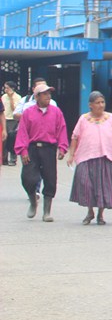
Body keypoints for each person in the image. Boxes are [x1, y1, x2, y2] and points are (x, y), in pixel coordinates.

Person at [67, 91, 112, 225]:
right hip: (86, 157)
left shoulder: (111, 118)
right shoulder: (83, 119)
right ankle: (90, 211)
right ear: (90, 105)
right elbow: (75, 137)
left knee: (104, 187)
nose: (101, 105)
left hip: (107, 157)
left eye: (102, 102)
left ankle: (100, 214)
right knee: (87, 185)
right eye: (97, 102)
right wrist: (71, 155)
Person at [14, 82, 68, 221]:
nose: (48, 96)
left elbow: (61, 129)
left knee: (50, 179)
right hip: (32, 148)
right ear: (37, 96)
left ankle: (47, 211)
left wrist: (62, 147)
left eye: (49, 93)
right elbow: (22, 132)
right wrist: (23, 151)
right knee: (28, 178)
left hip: (49, 149)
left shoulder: (56, 112)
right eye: (45, 94)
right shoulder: (28, 112)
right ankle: (33, 201)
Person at [3, 81, 22, 165]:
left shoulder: (18, 97)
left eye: (7, 88)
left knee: (12, 139)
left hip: (12, 120)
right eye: (5, 87)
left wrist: (11, 98)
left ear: (12, 88)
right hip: (4, 119)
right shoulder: (3, 97)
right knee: (4, 140)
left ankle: (13, 159)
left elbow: (15, 110)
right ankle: (4, 159)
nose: (5, 89)